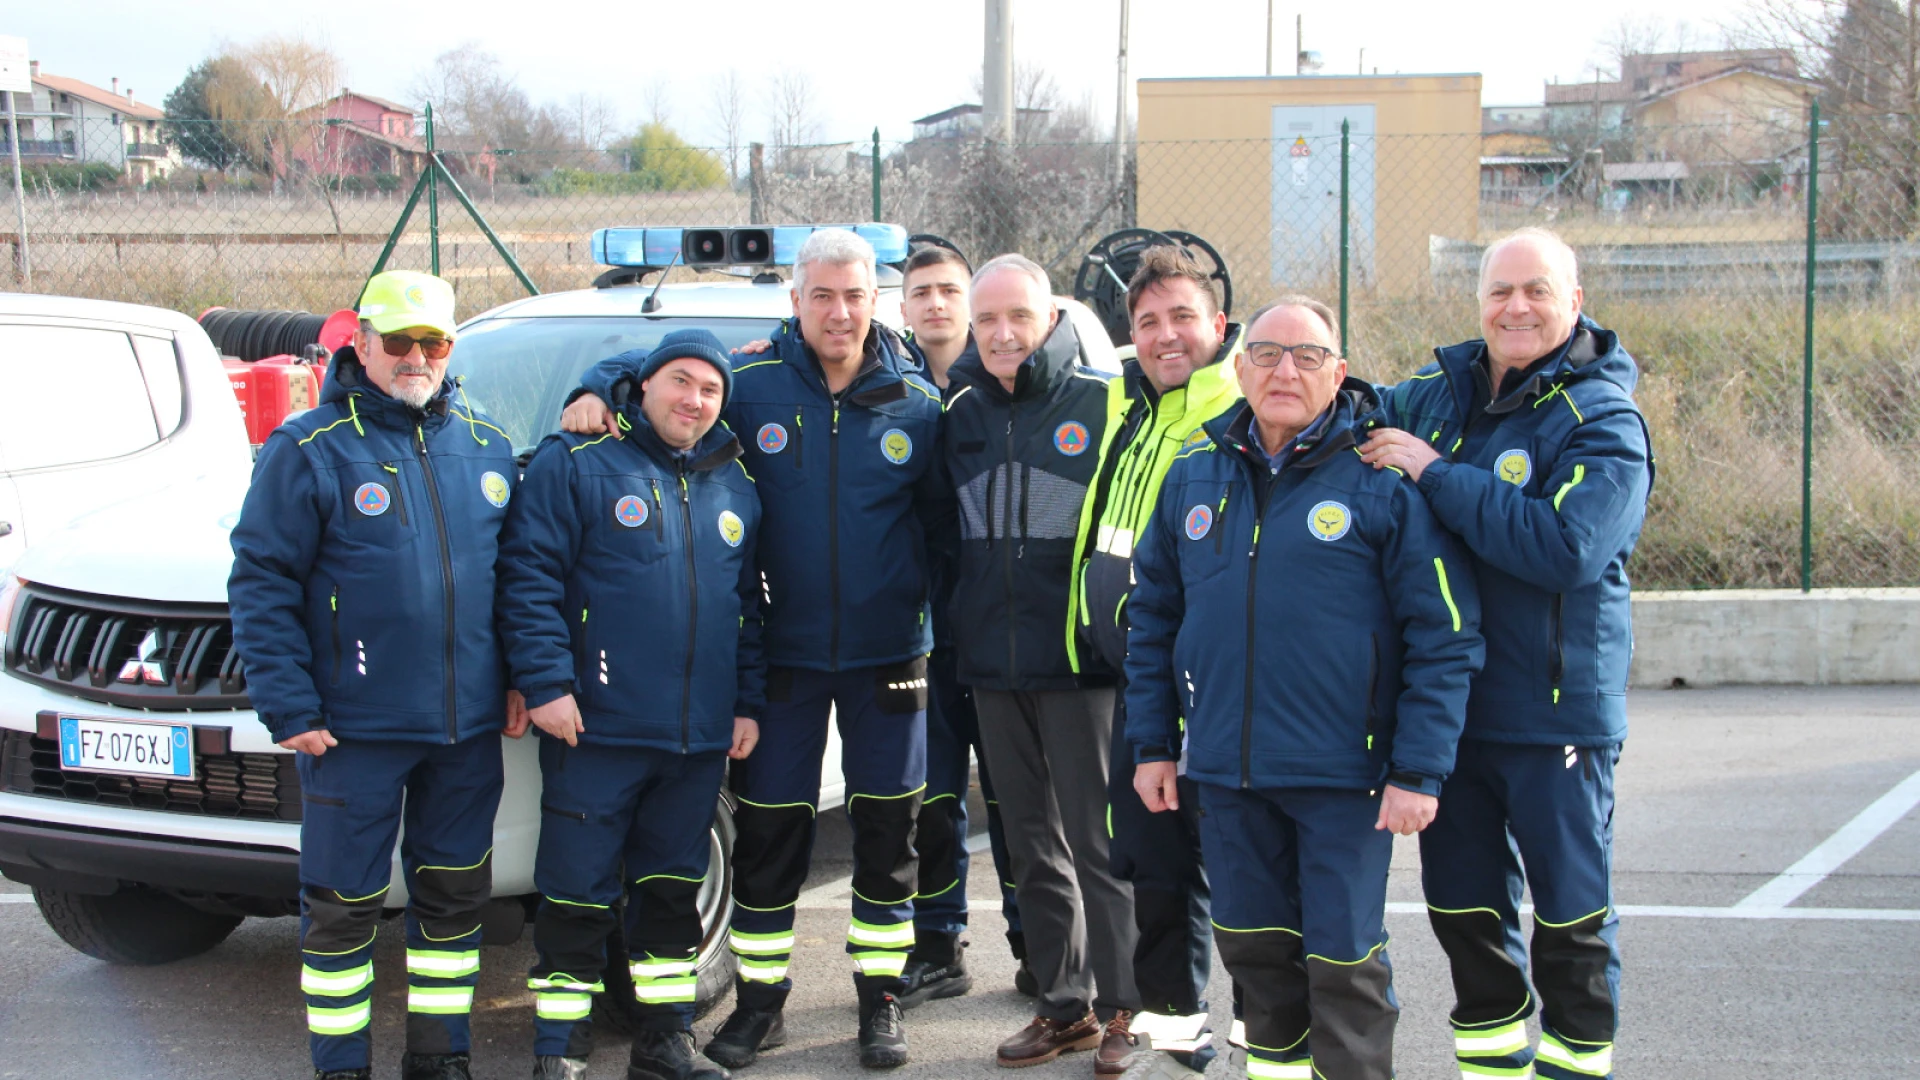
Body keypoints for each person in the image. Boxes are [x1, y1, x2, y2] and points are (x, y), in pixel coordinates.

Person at [559, 228, 952, 1070]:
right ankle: (761, 1005)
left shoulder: (918, 404)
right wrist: (598, 385)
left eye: (854, 296)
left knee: (889, 832)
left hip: (891, 656)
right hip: (783, 656)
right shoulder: (752, 385)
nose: (839, 312)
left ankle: (879, 1002)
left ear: (874, 301)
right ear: (796, 300)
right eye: (822, 295)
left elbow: (944, 532)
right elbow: (673, 377)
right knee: (772, 832)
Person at [1127, 297, 1484, 1080]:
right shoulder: (1193, 476)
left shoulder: (1382, 485)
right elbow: (1151, 617)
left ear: (1340, 372)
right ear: (1240, 364)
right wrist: (1154, 745)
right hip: (1224, 772)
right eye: (1268, 353)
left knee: (1344, 967)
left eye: (1309, 356)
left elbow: (1444, 634)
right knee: (1257, 962)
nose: (1286, 370)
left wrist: (1417, 771)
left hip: (1343, 781)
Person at [1361, 227, 1652, 1080]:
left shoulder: (1602, 416)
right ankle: (1493, 1068)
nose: (1516, 307)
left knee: (1570, 917)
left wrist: (1435, 475)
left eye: (1536, 290)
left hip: (1555, 713)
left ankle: (1575, 1063)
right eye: (1499, 292)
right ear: (1479, 300)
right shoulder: (1433, 393)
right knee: (1464, 910)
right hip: (1449, 713)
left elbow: (1566, 548)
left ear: (1575, 298)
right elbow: (1344, 417)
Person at [227, 270, 517, 1080]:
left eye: (432, 342)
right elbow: (261, 582)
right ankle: (341, 1065)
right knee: (340, 911)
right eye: (398, 342)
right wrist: (286, 702)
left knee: (455, 902)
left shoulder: (487, 446)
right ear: (361, 343)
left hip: (464, 730)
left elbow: (521, 583)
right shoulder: (310, 447)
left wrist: (522, 678)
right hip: (352, 728)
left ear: (450, 346)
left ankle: (440, 1057)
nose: (415, 358)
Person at [496, 329, 764, 1080]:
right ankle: (561, 1048)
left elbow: (747, 608)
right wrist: (546, 683)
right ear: (641, 387)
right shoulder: (575, 463)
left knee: (673, 895)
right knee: (576, 895)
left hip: (696, 739)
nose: (694, 399)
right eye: (680, 381)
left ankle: (664, 1041)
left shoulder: (734, 484)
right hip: (597, 731)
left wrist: (745, 703)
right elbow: (529, 579)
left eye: (711, 390)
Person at [940, 253, 1141, 1072]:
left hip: (1081, 667)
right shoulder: (957, 412)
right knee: (1030, 845)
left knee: (1101, 846)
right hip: (993, 665)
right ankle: (1066, 1009)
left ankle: (1128, 1010)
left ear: (1051, 318)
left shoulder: (1106, 401)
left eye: (1017, 317)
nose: (1002, 334)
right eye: (985, 320)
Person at [1065, 245, 1246, 1073]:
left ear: (1218, 322)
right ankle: (1182, 1044)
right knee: (1157, 871)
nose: (1166, 335)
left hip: (1219, 691)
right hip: (1140, 688)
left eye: (1182, 317)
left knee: (1245, 880)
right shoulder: (1128, 406)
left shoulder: (1244, 403)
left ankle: (1270, 1036)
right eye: (1147, 323)